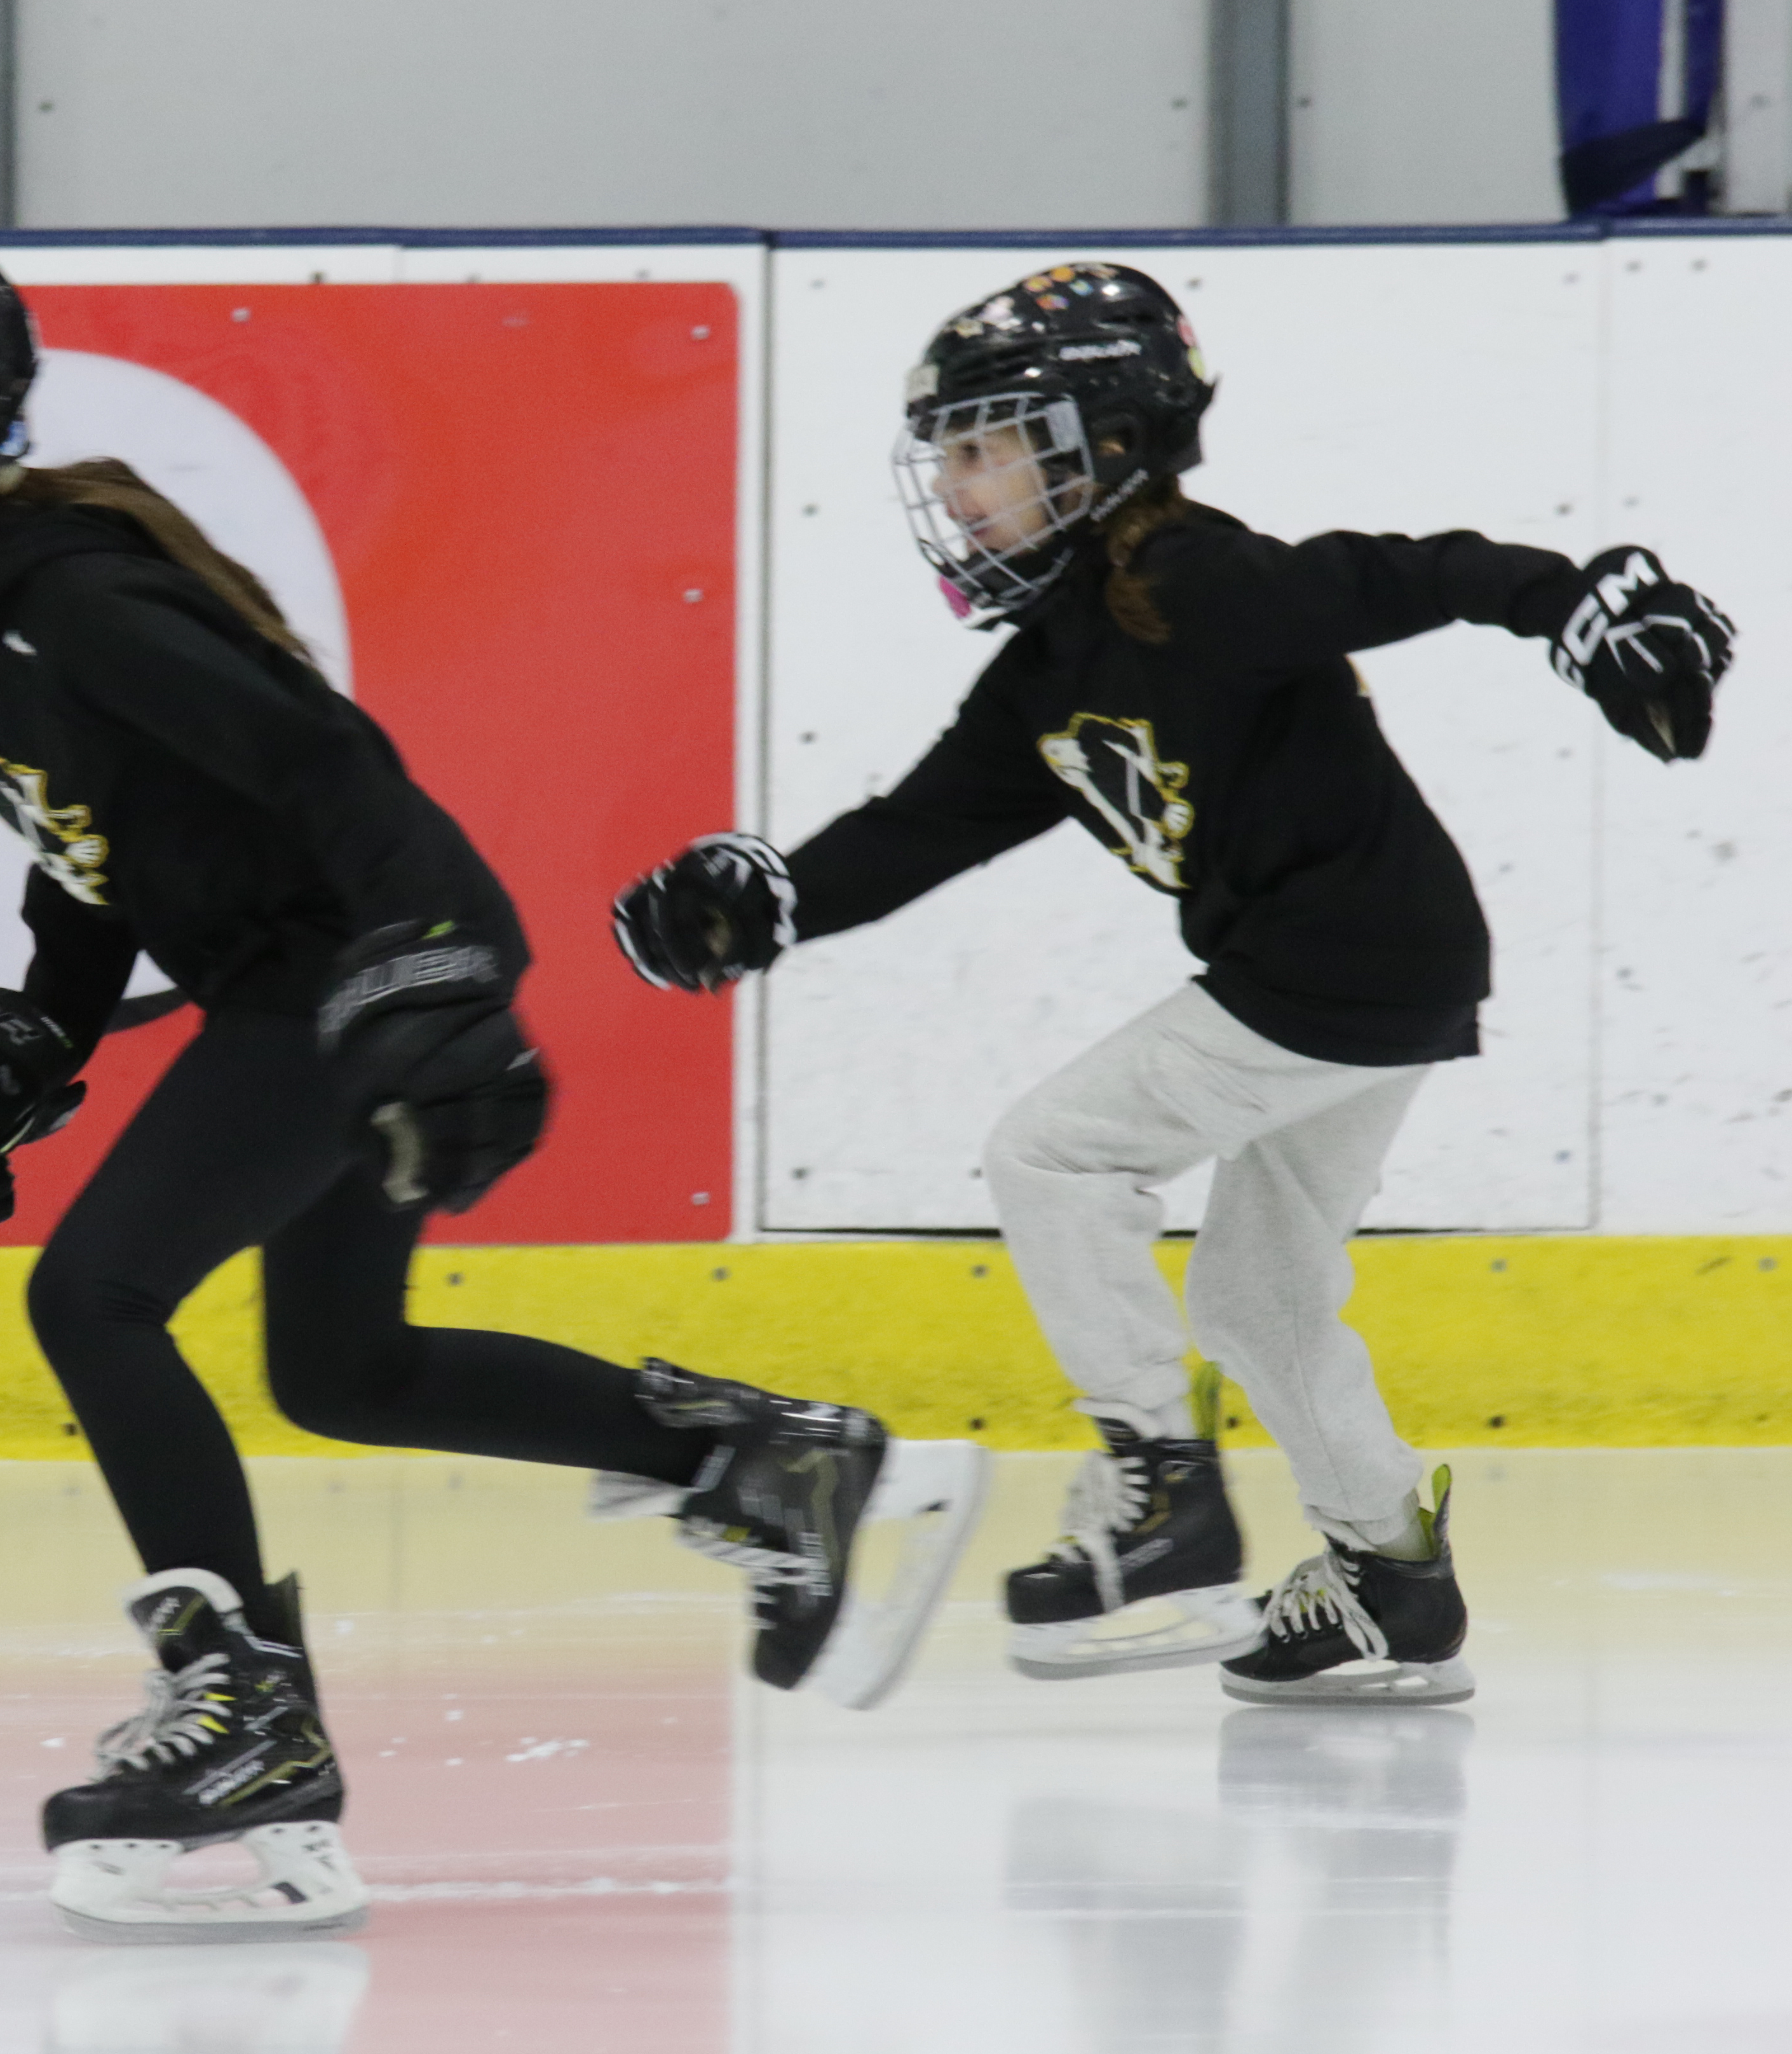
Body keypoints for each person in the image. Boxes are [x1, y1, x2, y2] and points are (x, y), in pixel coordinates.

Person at [0, 226, 987, 1940]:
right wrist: (39, 1032)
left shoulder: (71, 595)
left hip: (355, 981)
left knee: (95, 1298)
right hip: (310, 985)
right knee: (345, 1366)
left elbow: (335, 768)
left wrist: (440, 965)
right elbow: (88, 858)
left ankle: (247, 1718)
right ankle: (766, 1462)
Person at [613, 262, 1732, 1708]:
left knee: (1054, 1151)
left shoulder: (1199, 582)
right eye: (945, 455)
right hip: (1372, 977)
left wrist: (1578, 602)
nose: (954, 489)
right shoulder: (1051, 664)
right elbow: (925, 827)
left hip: (1332, 971)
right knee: (1260, 1299)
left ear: (1107, 443)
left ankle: (1163, 1495)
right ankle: (1391, 1581)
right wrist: (773, 901)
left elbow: (1399, 571)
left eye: (982, 446)